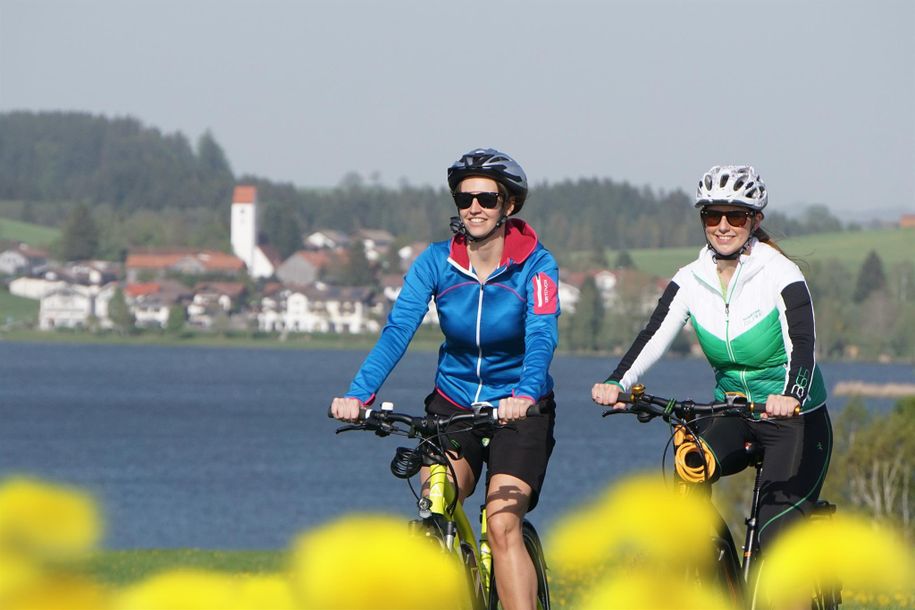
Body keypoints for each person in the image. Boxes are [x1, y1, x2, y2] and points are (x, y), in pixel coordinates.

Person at [331, 148, 559, 610]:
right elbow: (398, 330)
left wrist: (526, 392)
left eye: (486, 198)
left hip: (519, 407)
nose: (474, 207)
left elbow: (541, 335)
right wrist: (358, 394)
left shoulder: (537, 265)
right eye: (464, 197)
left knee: (501, 523)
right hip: (453, 403)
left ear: (508, 205)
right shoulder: (436, 262)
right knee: (435, 495)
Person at [592, 165, 832, 557]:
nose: (722, 225)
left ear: (755, 220)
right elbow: (653, 335)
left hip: (793, 420)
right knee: (689, 471)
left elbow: (802, 344)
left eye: (735, 215)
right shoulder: (691, 278)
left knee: (776, 545)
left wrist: (792, 394)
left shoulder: (779, 273)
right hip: (734, 410)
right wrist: (618, 381)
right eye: (711, 215)